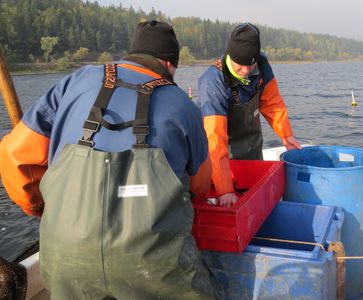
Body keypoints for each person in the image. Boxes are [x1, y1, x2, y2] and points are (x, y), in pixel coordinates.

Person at [0, 20, 222, 299]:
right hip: (150, 264)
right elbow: (200, 186)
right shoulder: (183, 104)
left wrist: (42, 208)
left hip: (64, 253)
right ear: (169, 65)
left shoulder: (75, 81)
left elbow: (13, 154)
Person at [198, 23, 302, 208]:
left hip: (252, 149)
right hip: (222, 158)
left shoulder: (261, 64)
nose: (246, 70)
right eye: (240, 66)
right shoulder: (213, 82)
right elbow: (214, 139)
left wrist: (286, 135)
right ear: (230, 56)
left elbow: (272, 104)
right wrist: (225, 190)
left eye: (250, 65)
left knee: (256, 203)